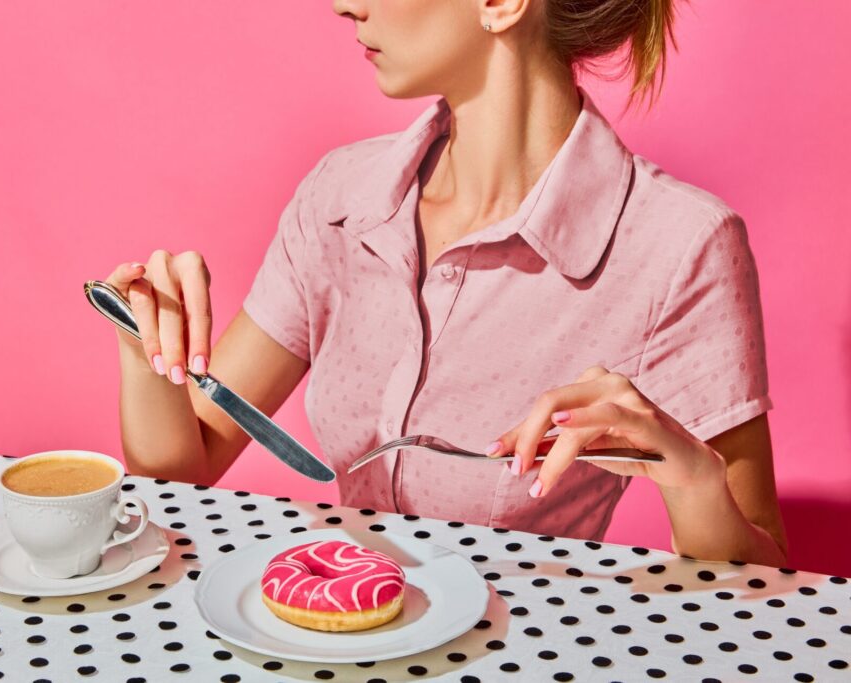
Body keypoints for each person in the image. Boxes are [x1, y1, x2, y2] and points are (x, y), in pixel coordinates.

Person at [103, 0, 788, 567]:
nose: (344, 5)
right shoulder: (340, 199)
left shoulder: (680, 246)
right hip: (334, 638)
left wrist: (695, 482)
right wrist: (146, 347)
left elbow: (762, 589)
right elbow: (182, 473)